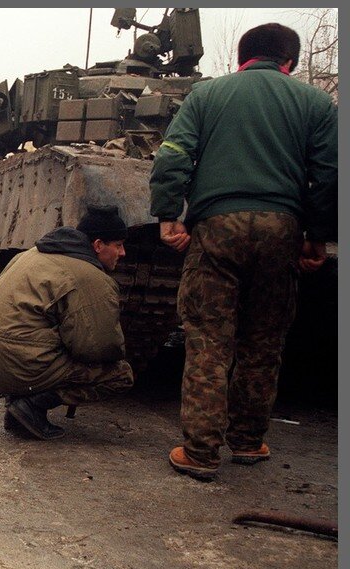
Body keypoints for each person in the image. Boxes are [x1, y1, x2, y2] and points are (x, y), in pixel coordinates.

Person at [150, 23, 337, 481]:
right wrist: (319, 235)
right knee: (264, 338)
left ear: (241, 58)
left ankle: (200, 452)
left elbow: (173, 153)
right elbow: (330, 174)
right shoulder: (316, 103)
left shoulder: (207, 95)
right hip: (282, 228)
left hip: (218, 225)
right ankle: (249, 441)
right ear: (289, 61)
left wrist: (169, 213)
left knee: (209, 338)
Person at [0, 205, 134, 440]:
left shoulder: (31, 253)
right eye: (118, 245)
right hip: (17, 363)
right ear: (97, 245)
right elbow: (98, 348)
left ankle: (18, 403)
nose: (122, 253)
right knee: (120, 375)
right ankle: (30, 406)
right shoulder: (90, 276)